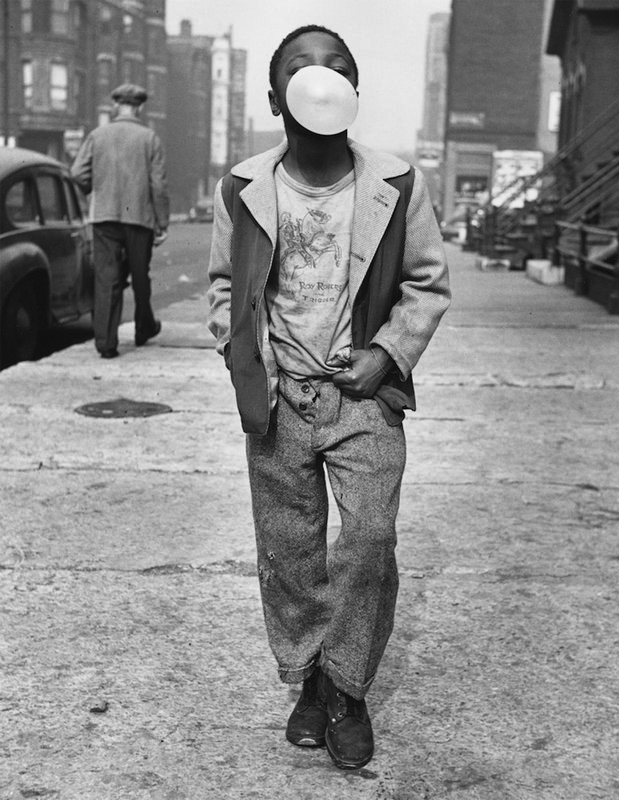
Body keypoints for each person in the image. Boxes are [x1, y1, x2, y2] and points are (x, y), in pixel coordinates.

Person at [207, 25, 451, 770]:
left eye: (338, 67)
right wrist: (243, 353)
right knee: (289, 553)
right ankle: (309, 680)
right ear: (276, 95)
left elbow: (426, 284)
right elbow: (225, 288)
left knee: (369, 539)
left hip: (363, 399)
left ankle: (348, 685)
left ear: (353, 91)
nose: (322, 78)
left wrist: (387, 355)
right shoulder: (244, 186)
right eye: (302, 69)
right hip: (280, 397)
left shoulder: (397, 182)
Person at [72, 83, 169, 359]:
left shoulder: (97, 136)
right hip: (139, 218)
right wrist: (162, 223)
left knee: (106, 279)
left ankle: (106, 343)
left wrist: (98, 188)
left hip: (104, 217)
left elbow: (78, 174)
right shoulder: (150, 138)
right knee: (140, 276)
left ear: (117, 106)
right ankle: (143, 329)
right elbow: (158, 186)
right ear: (139, 107)